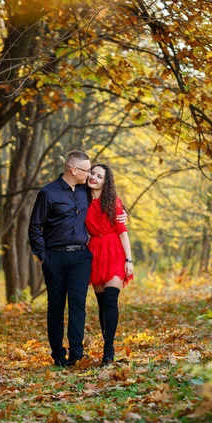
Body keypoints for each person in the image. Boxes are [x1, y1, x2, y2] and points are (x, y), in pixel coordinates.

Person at [28, 151, 126, 368]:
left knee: (78, 305)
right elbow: (35, 227)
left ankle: (76, 353)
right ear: (74, 170)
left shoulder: (85, 192)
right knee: (55, 306)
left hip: (81, 256)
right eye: (86, 170)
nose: (90, 174)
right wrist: (43, 257)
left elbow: (108, 202)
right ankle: (57, 354)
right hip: (54, 256)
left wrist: (123, 213)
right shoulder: (48, 193)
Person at [86, 164, 133, 365]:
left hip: (114, 250)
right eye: (92, 174)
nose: (94, 177)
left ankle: (109, 349)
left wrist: (129, 260)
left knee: (111, 301)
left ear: (106, 182)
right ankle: (106, 343)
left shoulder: (113, 202)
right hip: (95, 251)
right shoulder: (82, 200)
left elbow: (123, 231)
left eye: (99, 176)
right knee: (101, 303)